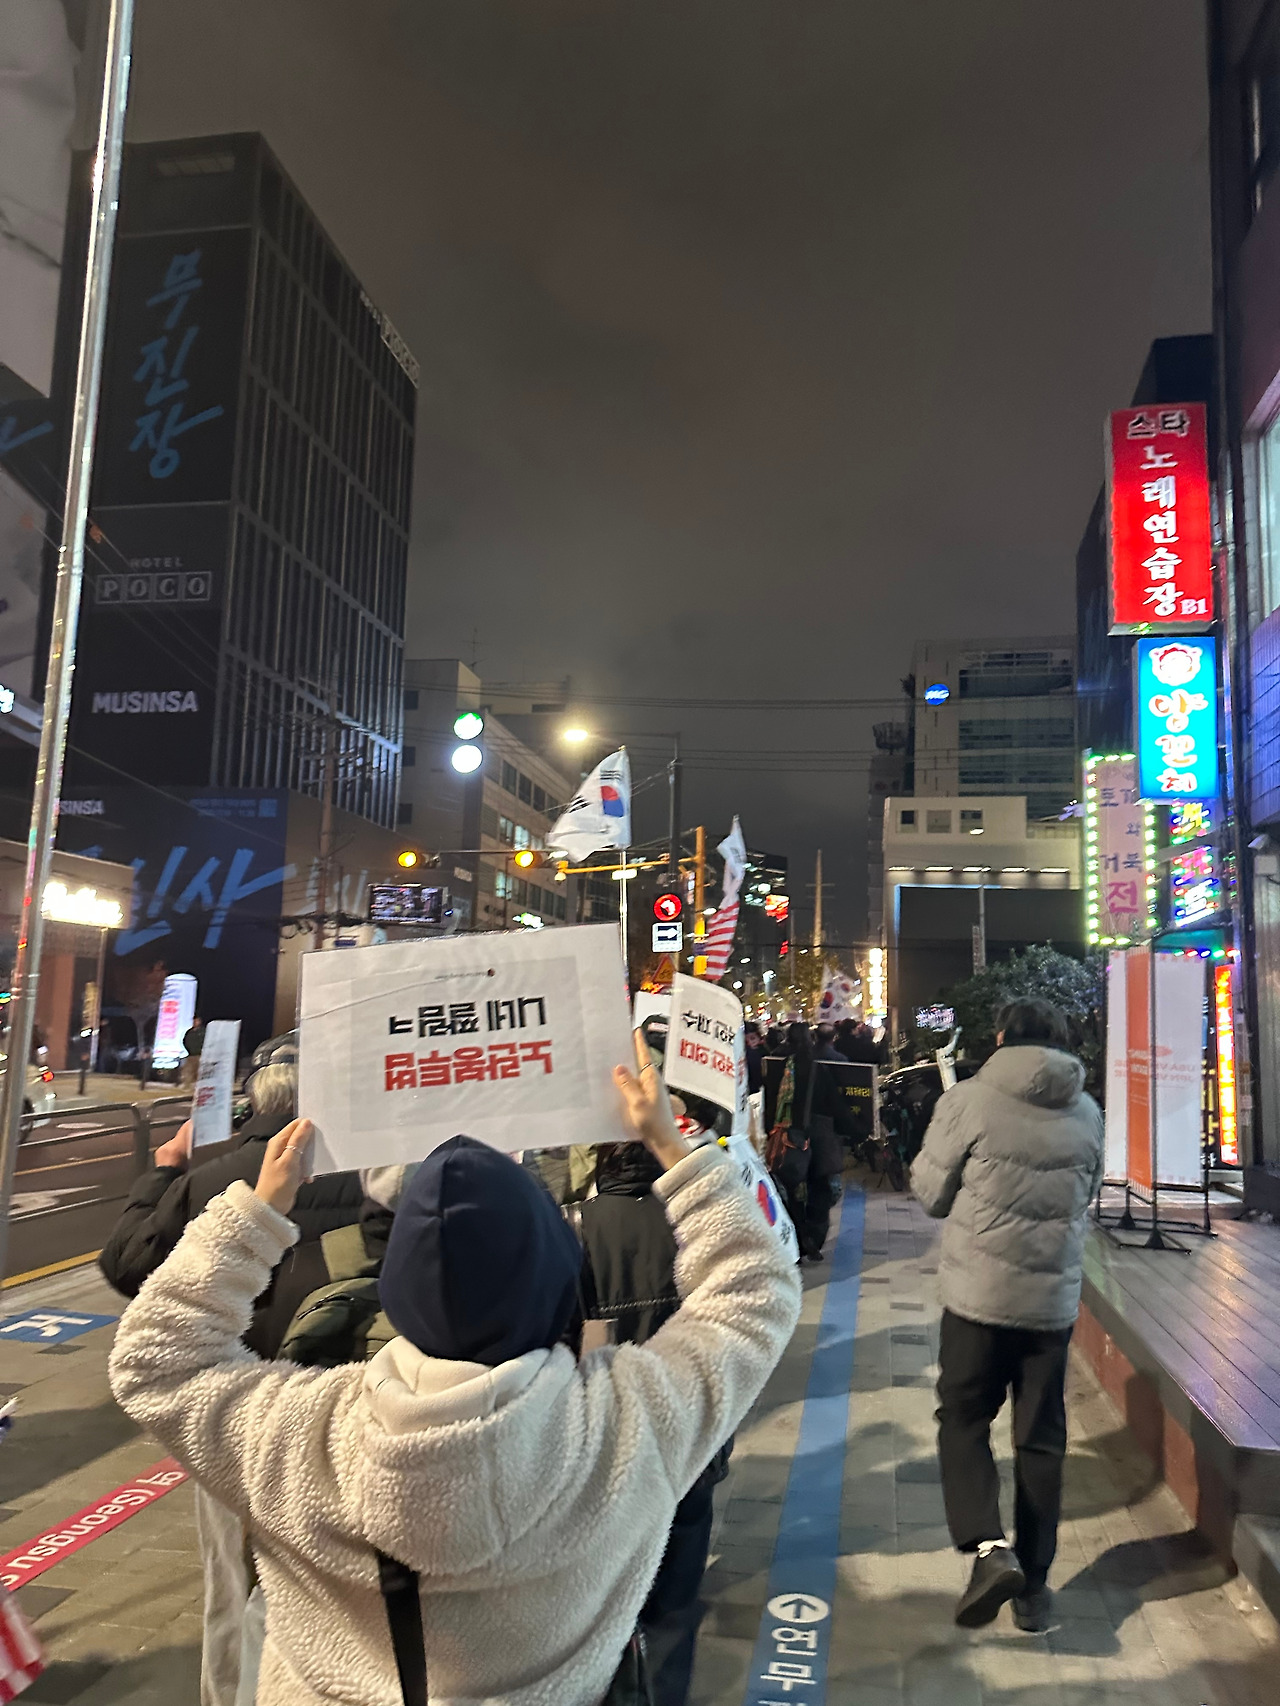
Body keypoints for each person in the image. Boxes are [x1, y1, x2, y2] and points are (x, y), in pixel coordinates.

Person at [108, 1032, 802, 1706]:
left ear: (394, 1288)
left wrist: (257, 1212)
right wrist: (674, 1149)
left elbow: (152, 1357)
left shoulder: (296, 1438)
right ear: (558, 1277)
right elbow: (756, 1289)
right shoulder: (622, 1428)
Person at [99, 1053, 365, 1706]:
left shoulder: (212, 1181)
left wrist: (164, 1171)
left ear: (254, 1104)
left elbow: (129, 1264)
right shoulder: (371, 1174)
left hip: (235, 1415)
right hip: (341, 1409)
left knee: (231, 1588)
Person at [910, 998, 1104, 1634]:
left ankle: (991, 1551)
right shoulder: (1088, 1112)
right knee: (1040, 1439)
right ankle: (1036, 1591)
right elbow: (1089, 1193)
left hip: (979, 1300)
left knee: (964, 1419)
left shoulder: (967, 1100)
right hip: (1051, 1306)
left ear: (1000, 1038)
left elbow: (930, 1194)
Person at [576, 1138, 727, 1706]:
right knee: (677, 1591)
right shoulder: (695, 1225)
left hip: (607, 1433)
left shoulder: (573, 1226)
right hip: (688, 1427)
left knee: (604, 1586)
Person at [770, 1022, 853, 1261]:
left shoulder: (776, 1063)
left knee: (789, 1190)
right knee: (819, 1189)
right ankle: (813, 1239)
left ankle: (796, 1237)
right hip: (817, 1138)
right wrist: (856, 1129)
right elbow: (836, 1106)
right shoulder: (819, 1066)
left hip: (785, 1137)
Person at [181, 1015, 206, 1089]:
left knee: (199, 1072)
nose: (195, 1022)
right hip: (191, 1055)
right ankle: (187, 1086)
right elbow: (185, 1041)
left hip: (200, 1055)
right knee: (188, 1071)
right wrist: (189, 1050)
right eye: (194, 1021)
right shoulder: (189, 1032)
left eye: (196, 1021)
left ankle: (198, 1086)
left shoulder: (203, 1031)